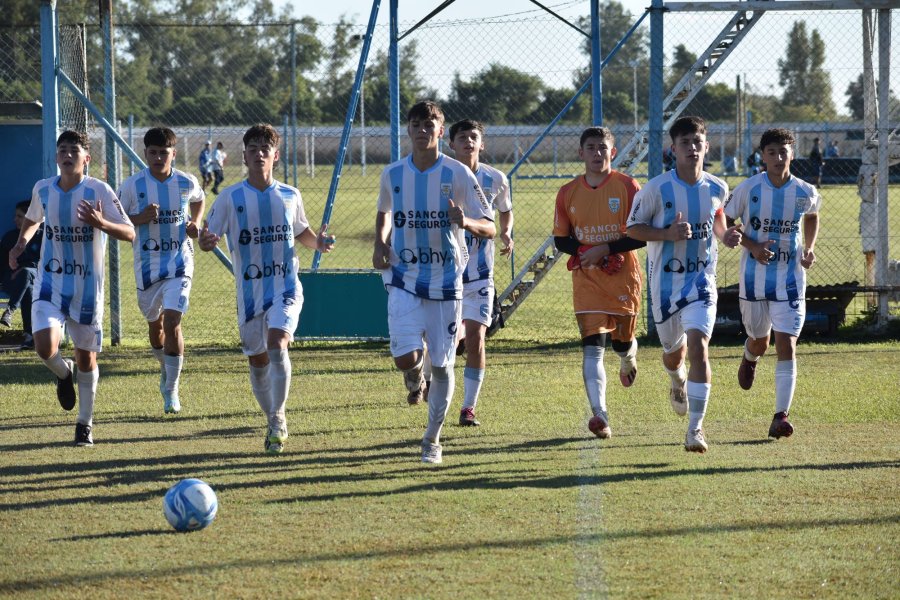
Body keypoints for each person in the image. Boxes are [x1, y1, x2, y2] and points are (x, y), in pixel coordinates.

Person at [199, 123, 334, 455]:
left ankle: (277, 419)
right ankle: (271, 414)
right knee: (258, 362)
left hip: (286, 286)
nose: (259, 153)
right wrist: (205, 240)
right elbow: (207, 237)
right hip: (249, 294)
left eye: (265, 148)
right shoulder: (230, 197)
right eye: (253, 148)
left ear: (275, 155)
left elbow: (301, 231)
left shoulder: (290, 195)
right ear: (243, 156)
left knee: (277, 344)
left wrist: (318, 242)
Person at [373, 101, 494, 464]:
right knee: (404, 357)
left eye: (430, 125)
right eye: (416, 124)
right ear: (407, 130)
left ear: (441, 131)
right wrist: (381, 242)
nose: (422, 130)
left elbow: (489, 225)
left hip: (445, 285)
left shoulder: (457, 173)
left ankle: (432, 439)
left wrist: (466, 222)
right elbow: (384, 214)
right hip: (403, 278)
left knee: (442, 367)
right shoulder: (392, 174)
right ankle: (413, 376)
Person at [9, 130, 135, 446]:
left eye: (74, 150)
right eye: (62, 149)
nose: (68, 154)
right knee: (44, 347)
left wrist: (101, 223)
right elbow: (34, 218)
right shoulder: (44, 189)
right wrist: (21, 243)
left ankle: (85, 424)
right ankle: (64, 374)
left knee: (87, 360)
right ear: (56, 157)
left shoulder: (99, 190)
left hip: (87, 288)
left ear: (86, 158)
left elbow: (130, 232)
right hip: (50, 281)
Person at [626, 116, 742, 453]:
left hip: (701, 281)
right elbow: (632, 228)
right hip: (665, 286)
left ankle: (695, 429)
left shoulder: (718, 187)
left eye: (698, 142)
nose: (692, 148)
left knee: (699, 347)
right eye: (685, 143)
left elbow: (718, 219)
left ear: (707, 146)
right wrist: (666, 234)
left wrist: (727, 235)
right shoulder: (656, 189)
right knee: (672, 355)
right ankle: (676, 381)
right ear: (672, 149)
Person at [723, 128, 820, 439]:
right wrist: (751, 245)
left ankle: (780, 416)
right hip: (753, 281)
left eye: (784, 152)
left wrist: (808, 248)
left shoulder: (805, 191)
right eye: (772, 152)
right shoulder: (749, 189)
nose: (779, 157)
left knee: (786, 345)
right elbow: (725, 220)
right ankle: (750, 356)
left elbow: (812, 214)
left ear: (792, 153)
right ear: (762, 156)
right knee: (759, 341)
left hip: (790, 280)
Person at [553, 127, 645, 439]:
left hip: (623, 278)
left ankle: (628, 357)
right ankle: (600, 413)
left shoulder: (628, 186)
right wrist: (585, 252)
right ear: (581, 153)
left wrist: (609, 250)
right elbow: (560, 240)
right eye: (590, 147)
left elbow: (641, 234)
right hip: (586, 278)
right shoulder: (567, 192)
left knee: (620, 343)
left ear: (613, 152)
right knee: (592, 347)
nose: (596, 153)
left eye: (602, 147)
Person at [118, 127, 205, 415]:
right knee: (155, 327)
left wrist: (195, 223)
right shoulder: (132, 186)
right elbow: (115, 221)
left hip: (180, 263)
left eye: (163, 152)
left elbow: (199, 199)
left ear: (173, 154)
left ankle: (171, 391)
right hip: (147, 268)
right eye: (153, 152)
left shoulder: (185, 181)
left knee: (173, 322)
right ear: (145, 153)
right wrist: (139, 218)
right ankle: (166, 370)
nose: (158, 157)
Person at [447, 119, 513, 427]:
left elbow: (505, 210)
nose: (469, 141)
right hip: (445, 274)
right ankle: (431, 381)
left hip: (480, 276)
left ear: (481, 144)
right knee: (442, 344)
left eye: (474, 137)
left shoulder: (496, 178)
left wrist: (507, 233)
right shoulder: (440, 175)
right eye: (462, 137)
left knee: (476, 338)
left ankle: (468, 408)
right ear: (451, 144)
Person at [0, 200, 43, 349]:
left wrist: (22, 270)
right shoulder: (9, 237)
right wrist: (11, 273)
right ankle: (29, 336)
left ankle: (10, 311)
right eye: (15, 216)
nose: (15, 220)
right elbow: (2, 263)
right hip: (10, 280)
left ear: (29, 218)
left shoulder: (42, 236)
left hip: (35, 279)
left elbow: (44, 263)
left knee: (26, 277)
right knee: (26, 283)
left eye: (19, 216)